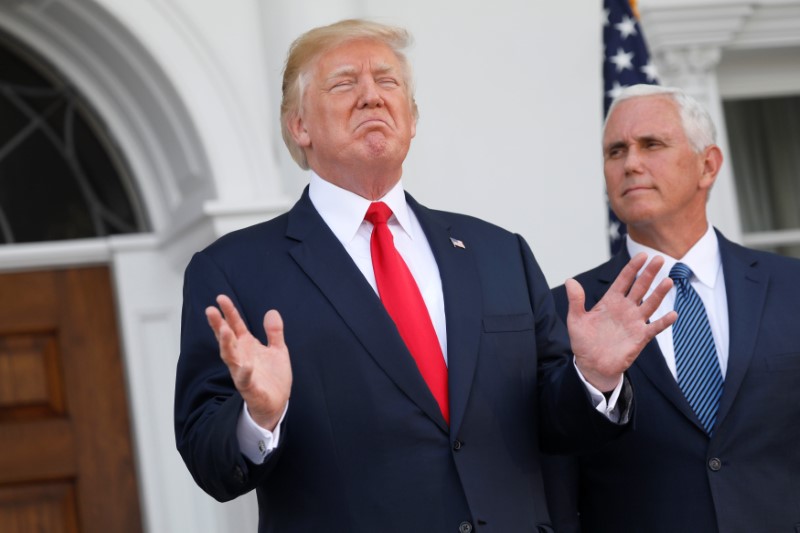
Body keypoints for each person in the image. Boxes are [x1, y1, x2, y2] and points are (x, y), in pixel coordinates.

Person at [174, 20, 675, 532]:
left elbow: (554, 423)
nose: (371, 96)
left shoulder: (498, 253)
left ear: (411, 120)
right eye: (345, 83)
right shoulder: (235, 269)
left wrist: (593, 379)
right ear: (299, 126)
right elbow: (208, 458)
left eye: (388, 82)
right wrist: (258, 417)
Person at [542, 84, 800, 532]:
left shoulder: (791, 287)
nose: (631, 163)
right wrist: (596, 380)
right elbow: (552, 457)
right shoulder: (566, 309)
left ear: (708, 165)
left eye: (652, 145)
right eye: (615, 151)